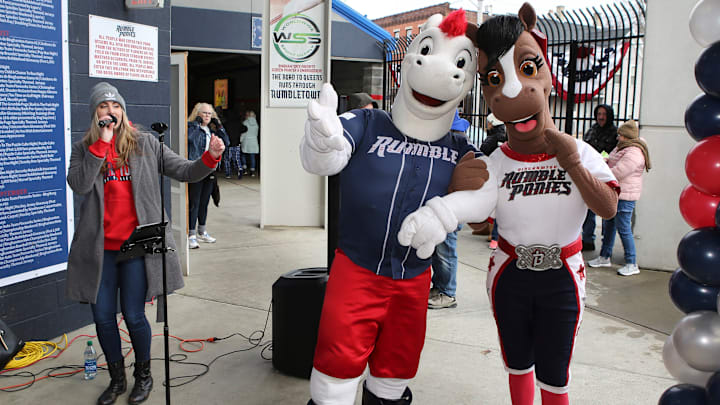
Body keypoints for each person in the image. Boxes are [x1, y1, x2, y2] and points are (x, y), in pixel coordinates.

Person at [398, 6, 620, 404]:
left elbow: (607, 209)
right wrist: (448, 203)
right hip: (509, 273)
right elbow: (478, 209)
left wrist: (571, 162)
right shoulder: (496, 161)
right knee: (516, 363)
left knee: (555, 372)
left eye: (529, 68)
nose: (512, 93)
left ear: (549, 76)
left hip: (562, 275)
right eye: (495, 80)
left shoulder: (580, 150)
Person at [300, 10, 489, 404]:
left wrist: (450, 212)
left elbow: (483, 204)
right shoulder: (369, 123)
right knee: (335, 375)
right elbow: (329, 157)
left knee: (393, 374)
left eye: (459, 65)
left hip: (415, 280)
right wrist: (321, 140)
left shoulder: (458, 151)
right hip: (356, 271)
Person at [65, 82, 224, 405]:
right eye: (103, 107)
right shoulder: (84, 149)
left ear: (124, 112)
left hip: (137, 247)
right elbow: (79, 185)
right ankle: (116, 379)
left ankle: (143, 375)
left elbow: (184, 170)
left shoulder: (146, 144)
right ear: (95, 114)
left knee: (134, 316)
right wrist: (101, 147)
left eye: (116, 107)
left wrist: (209, 158)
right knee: (103, 317)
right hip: (101, 250)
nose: (111, 112)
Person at [588, 120, 651, 276]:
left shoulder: (634, 152)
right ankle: (604, 256)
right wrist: (605, 162)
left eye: (620, 135)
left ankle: (631, 262)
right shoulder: (623, 147)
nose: (618, 137)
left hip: (625, 195)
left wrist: (602, 171)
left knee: (624, 229)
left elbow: (618, 172)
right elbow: (612, 160)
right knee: (608, 224)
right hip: (616, 193)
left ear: (627, 136)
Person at [429, 110, 471, 310]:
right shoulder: (452, 141)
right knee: (439, 250)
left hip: (450, 204)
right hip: (443, 203)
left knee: (445, 249)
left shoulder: (457, 144)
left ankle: (447, 292)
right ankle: (440, 287)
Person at [187, 103, 229, 249]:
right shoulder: (191, 127)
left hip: (210, 169)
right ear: (197, 113)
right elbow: (190, 140)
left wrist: (219, 127)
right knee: (194, 202)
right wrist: (197, 125)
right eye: (204, 113)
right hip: (197, 167)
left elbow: (227, 142)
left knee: (204, 202)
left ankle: (202, 231)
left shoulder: (211, 130)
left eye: (209, 114)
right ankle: (191, 234)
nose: (206, 116)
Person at [581, 104, 618, 251]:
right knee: (588, 207)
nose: (601, 117)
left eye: (604, 114)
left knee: (606, 209)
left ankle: (605, 244)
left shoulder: (615, 133)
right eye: (599, 114)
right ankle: (588, 239)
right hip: (590, 174)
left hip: (606, 174)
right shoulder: (592, 130)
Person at [480, 113, 507, 249]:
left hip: (493, 174)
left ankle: (494, 236)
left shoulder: (491, 138)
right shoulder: (507, 137)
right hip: (506, 173)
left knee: (493, 205)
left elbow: (482, 151)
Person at [223, 109, 248, 179]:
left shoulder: (226, 124)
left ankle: (228, 174)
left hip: (228, 144)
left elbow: (222, 132)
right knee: (237, 159)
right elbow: (245, 129)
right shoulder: (238, 123)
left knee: (227, 159)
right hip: (237, 143)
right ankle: (239, 169)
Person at [240, 110, 259, 177]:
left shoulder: (245, 122)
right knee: (252, 156)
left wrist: (240, 140)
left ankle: (244, 168)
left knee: (243, 154)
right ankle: (252, 171)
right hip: (254, 141)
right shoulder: (256, 124)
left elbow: (243, 133)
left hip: (246, 141)